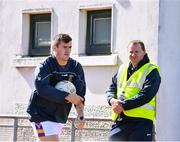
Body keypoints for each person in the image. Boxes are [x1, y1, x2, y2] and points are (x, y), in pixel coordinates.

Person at [26, 33, 86, 141]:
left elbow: (79, 96)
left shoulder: (76, 67)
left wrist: (80, 115)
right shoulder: (45, 66)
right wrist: (66, 96)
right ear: (55, 47)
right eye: (64, 47)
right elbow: (41, 88)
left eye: (70, 47)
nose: (67, 50)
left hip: (59, 117)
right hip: (39, 116)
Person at [106, 40, 161, 141]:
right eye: (131, 52)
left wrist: (123, 105)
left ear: (144, 53)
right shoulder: (122, 68)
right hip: (120, 121)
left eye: (137, 52)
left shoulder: (152, 70)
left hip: (141, 123)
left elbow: (146, 95)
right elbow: (111, 88)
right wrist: (112, 100)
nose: (133, 54)